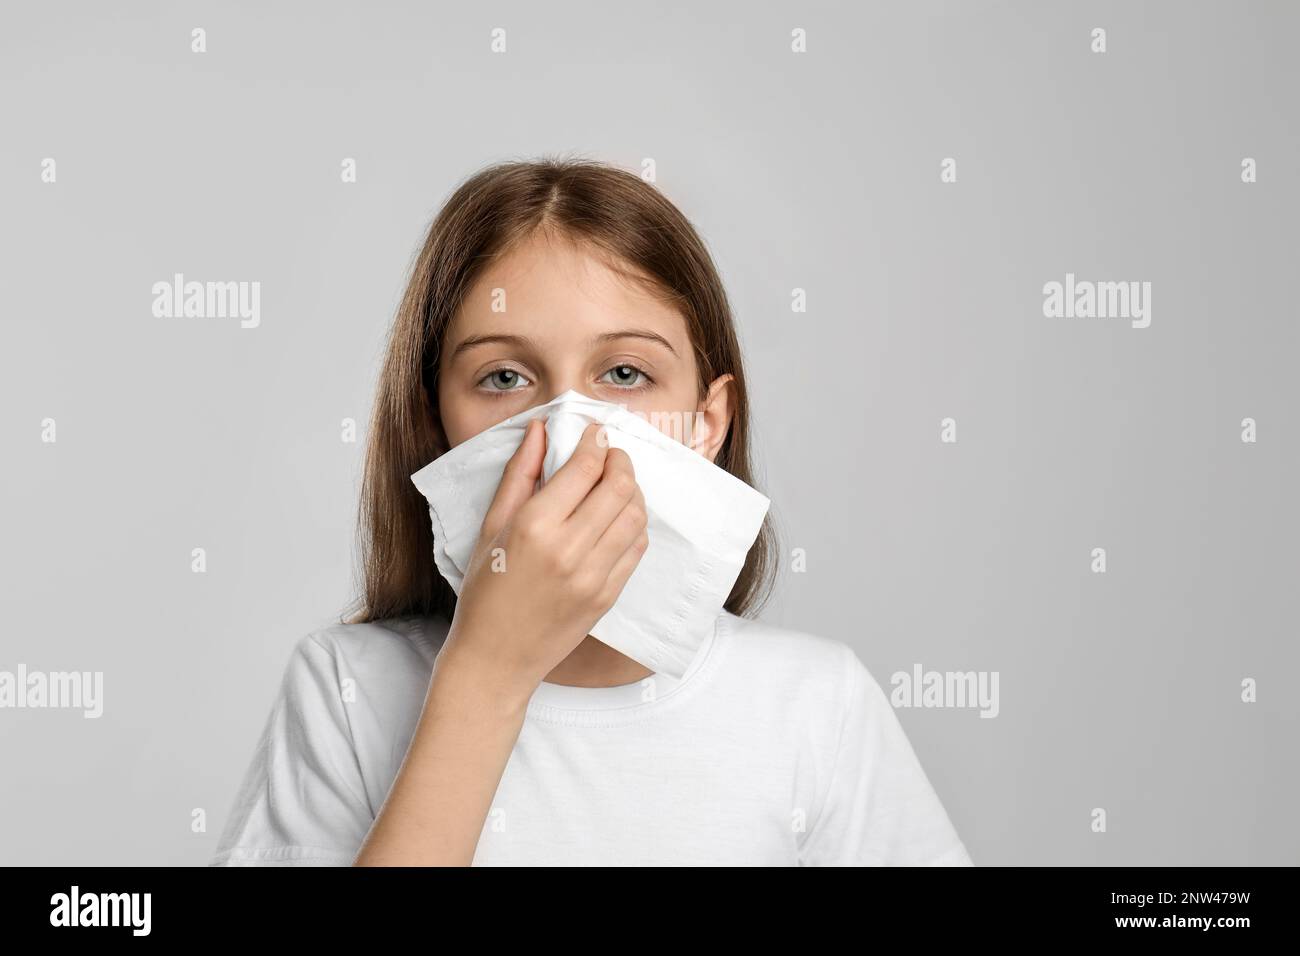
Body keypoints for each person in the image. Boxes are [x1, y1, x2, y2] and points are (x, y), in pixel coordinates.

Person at [209, 156, 973, 866]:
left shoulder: (815, 706)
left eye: (624, 372)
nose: (567, 428)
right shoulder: (346, 690)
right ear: (434, 421)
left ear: (707, 423)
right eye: (504, 376)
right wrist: (485, 673)